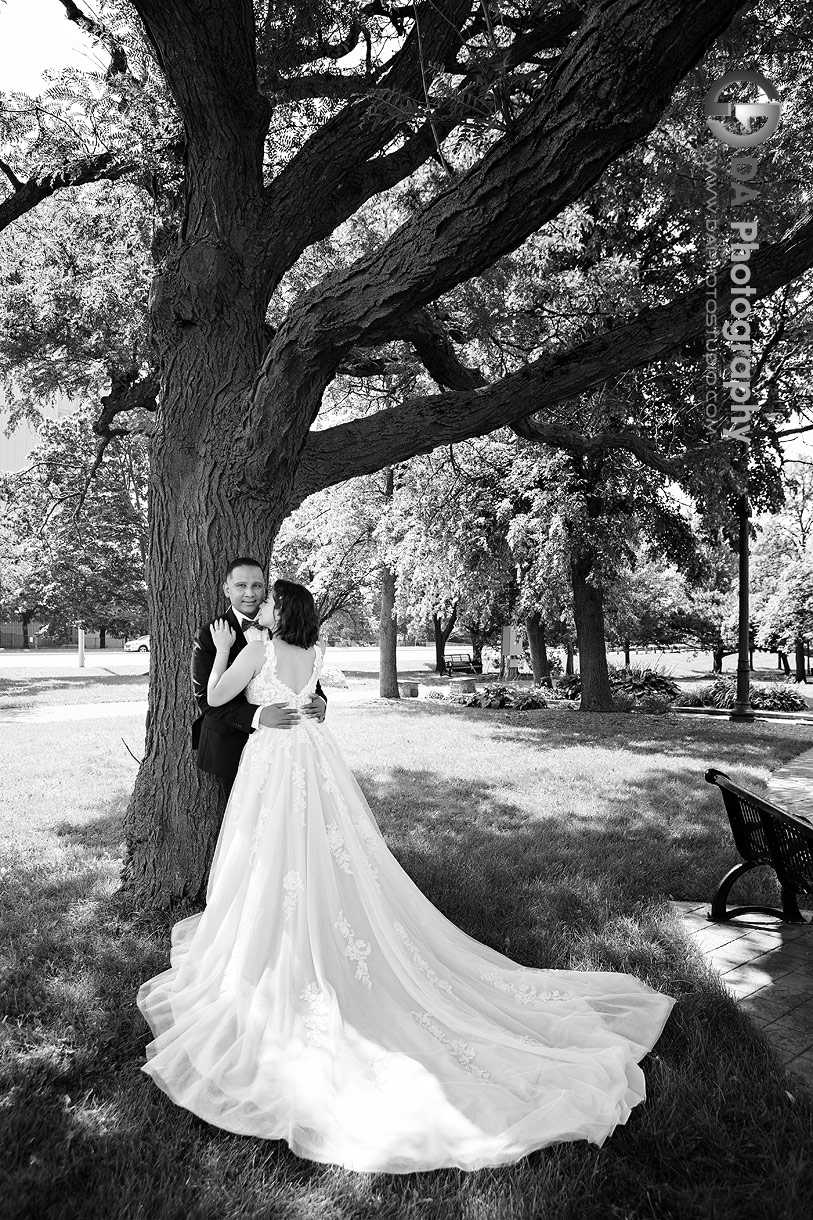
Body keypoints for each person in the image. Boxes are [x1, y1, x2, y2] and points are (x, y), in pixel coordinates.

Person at [138, 579, 674, 1174]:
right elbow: (307, 701)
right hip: (314, 758)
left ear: (280, 610)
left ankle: (280, 940)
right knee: (320, 848)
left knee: (272, 851)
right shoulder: (312, 654)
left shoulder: (258, 649)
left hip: (274, 762)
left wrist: (220, 653)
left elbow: (214, 697)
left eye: (267, 600)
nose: (259, 604)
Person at [191, 558, 327, 800]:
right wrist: (258, 715)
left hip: (291, 747)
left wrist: (321, 702)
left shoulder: (294, 635)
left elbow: (309, 683)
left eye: (257, 586)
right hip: (230, 746)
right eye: (241, 586)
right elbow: (205, 699)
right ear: (227, 589)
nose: (250, 594)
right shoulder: (212, 633)